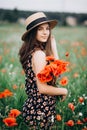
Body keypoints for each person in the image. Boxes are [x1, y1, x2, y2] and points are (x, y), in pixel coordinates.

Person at [19, 12, 68, 130]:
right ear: (32, 32)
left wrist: (54, 48)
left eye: (47, 28)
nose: (46, 32)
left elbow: (58, 74)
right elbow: (42, 88)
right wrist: (63, 90)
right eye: (40, 29)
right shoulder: (39, 54)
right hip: (40, 110)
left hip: (37, 108)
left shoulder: (33, 51)